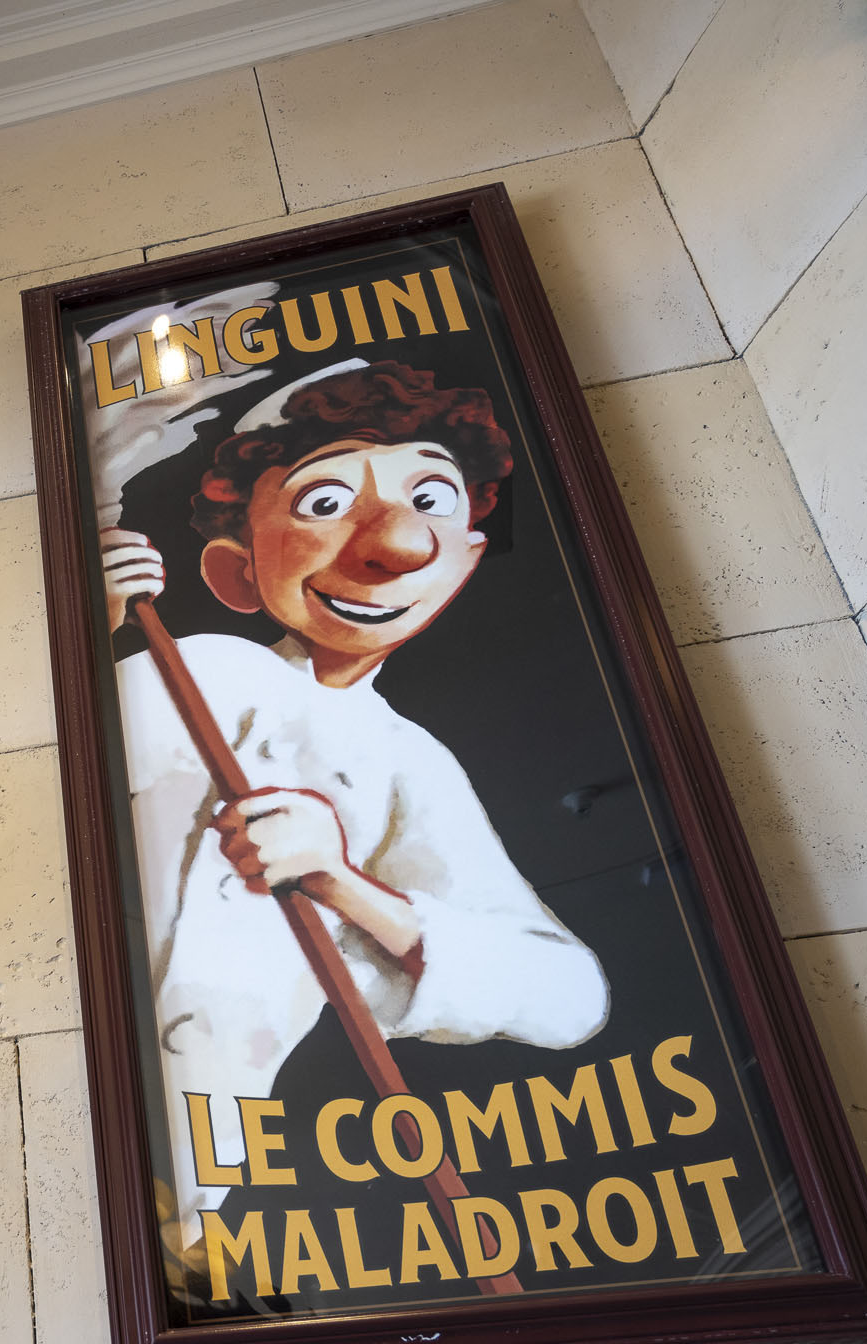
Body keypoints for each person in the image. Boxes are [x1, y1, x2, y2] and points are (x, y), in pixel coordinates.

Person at [97, 358, 608, 1238]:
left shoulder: (410, 761)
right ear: (236, 573)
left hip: (205, 1181)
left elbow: (568, 995)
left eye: (430, 502)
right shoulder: (203, 671)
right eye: (325, 502)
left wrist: (342, 884)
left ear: (464, 560)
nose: (395, 544)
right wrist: (91, 630)